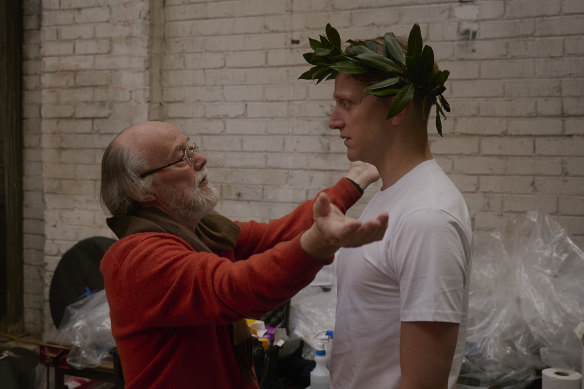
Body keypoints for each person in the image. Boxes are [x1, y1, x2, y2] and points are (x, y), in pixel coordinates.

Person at [99, 120, 389, 389]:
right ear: (142, 190)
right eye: (182, 157)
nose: (200, 160)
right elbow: (236, 288)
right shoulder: (137, 258)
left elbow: (278, 235)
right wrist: (317, 244)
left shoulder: (205, 232)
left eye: (192, 148)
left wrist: (354, 181)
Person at [300, 24, 473, 388]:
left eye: (346, 104)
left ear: (399, 108)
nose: (333, 121)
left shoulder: (428, 218)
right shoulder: (392, 193)